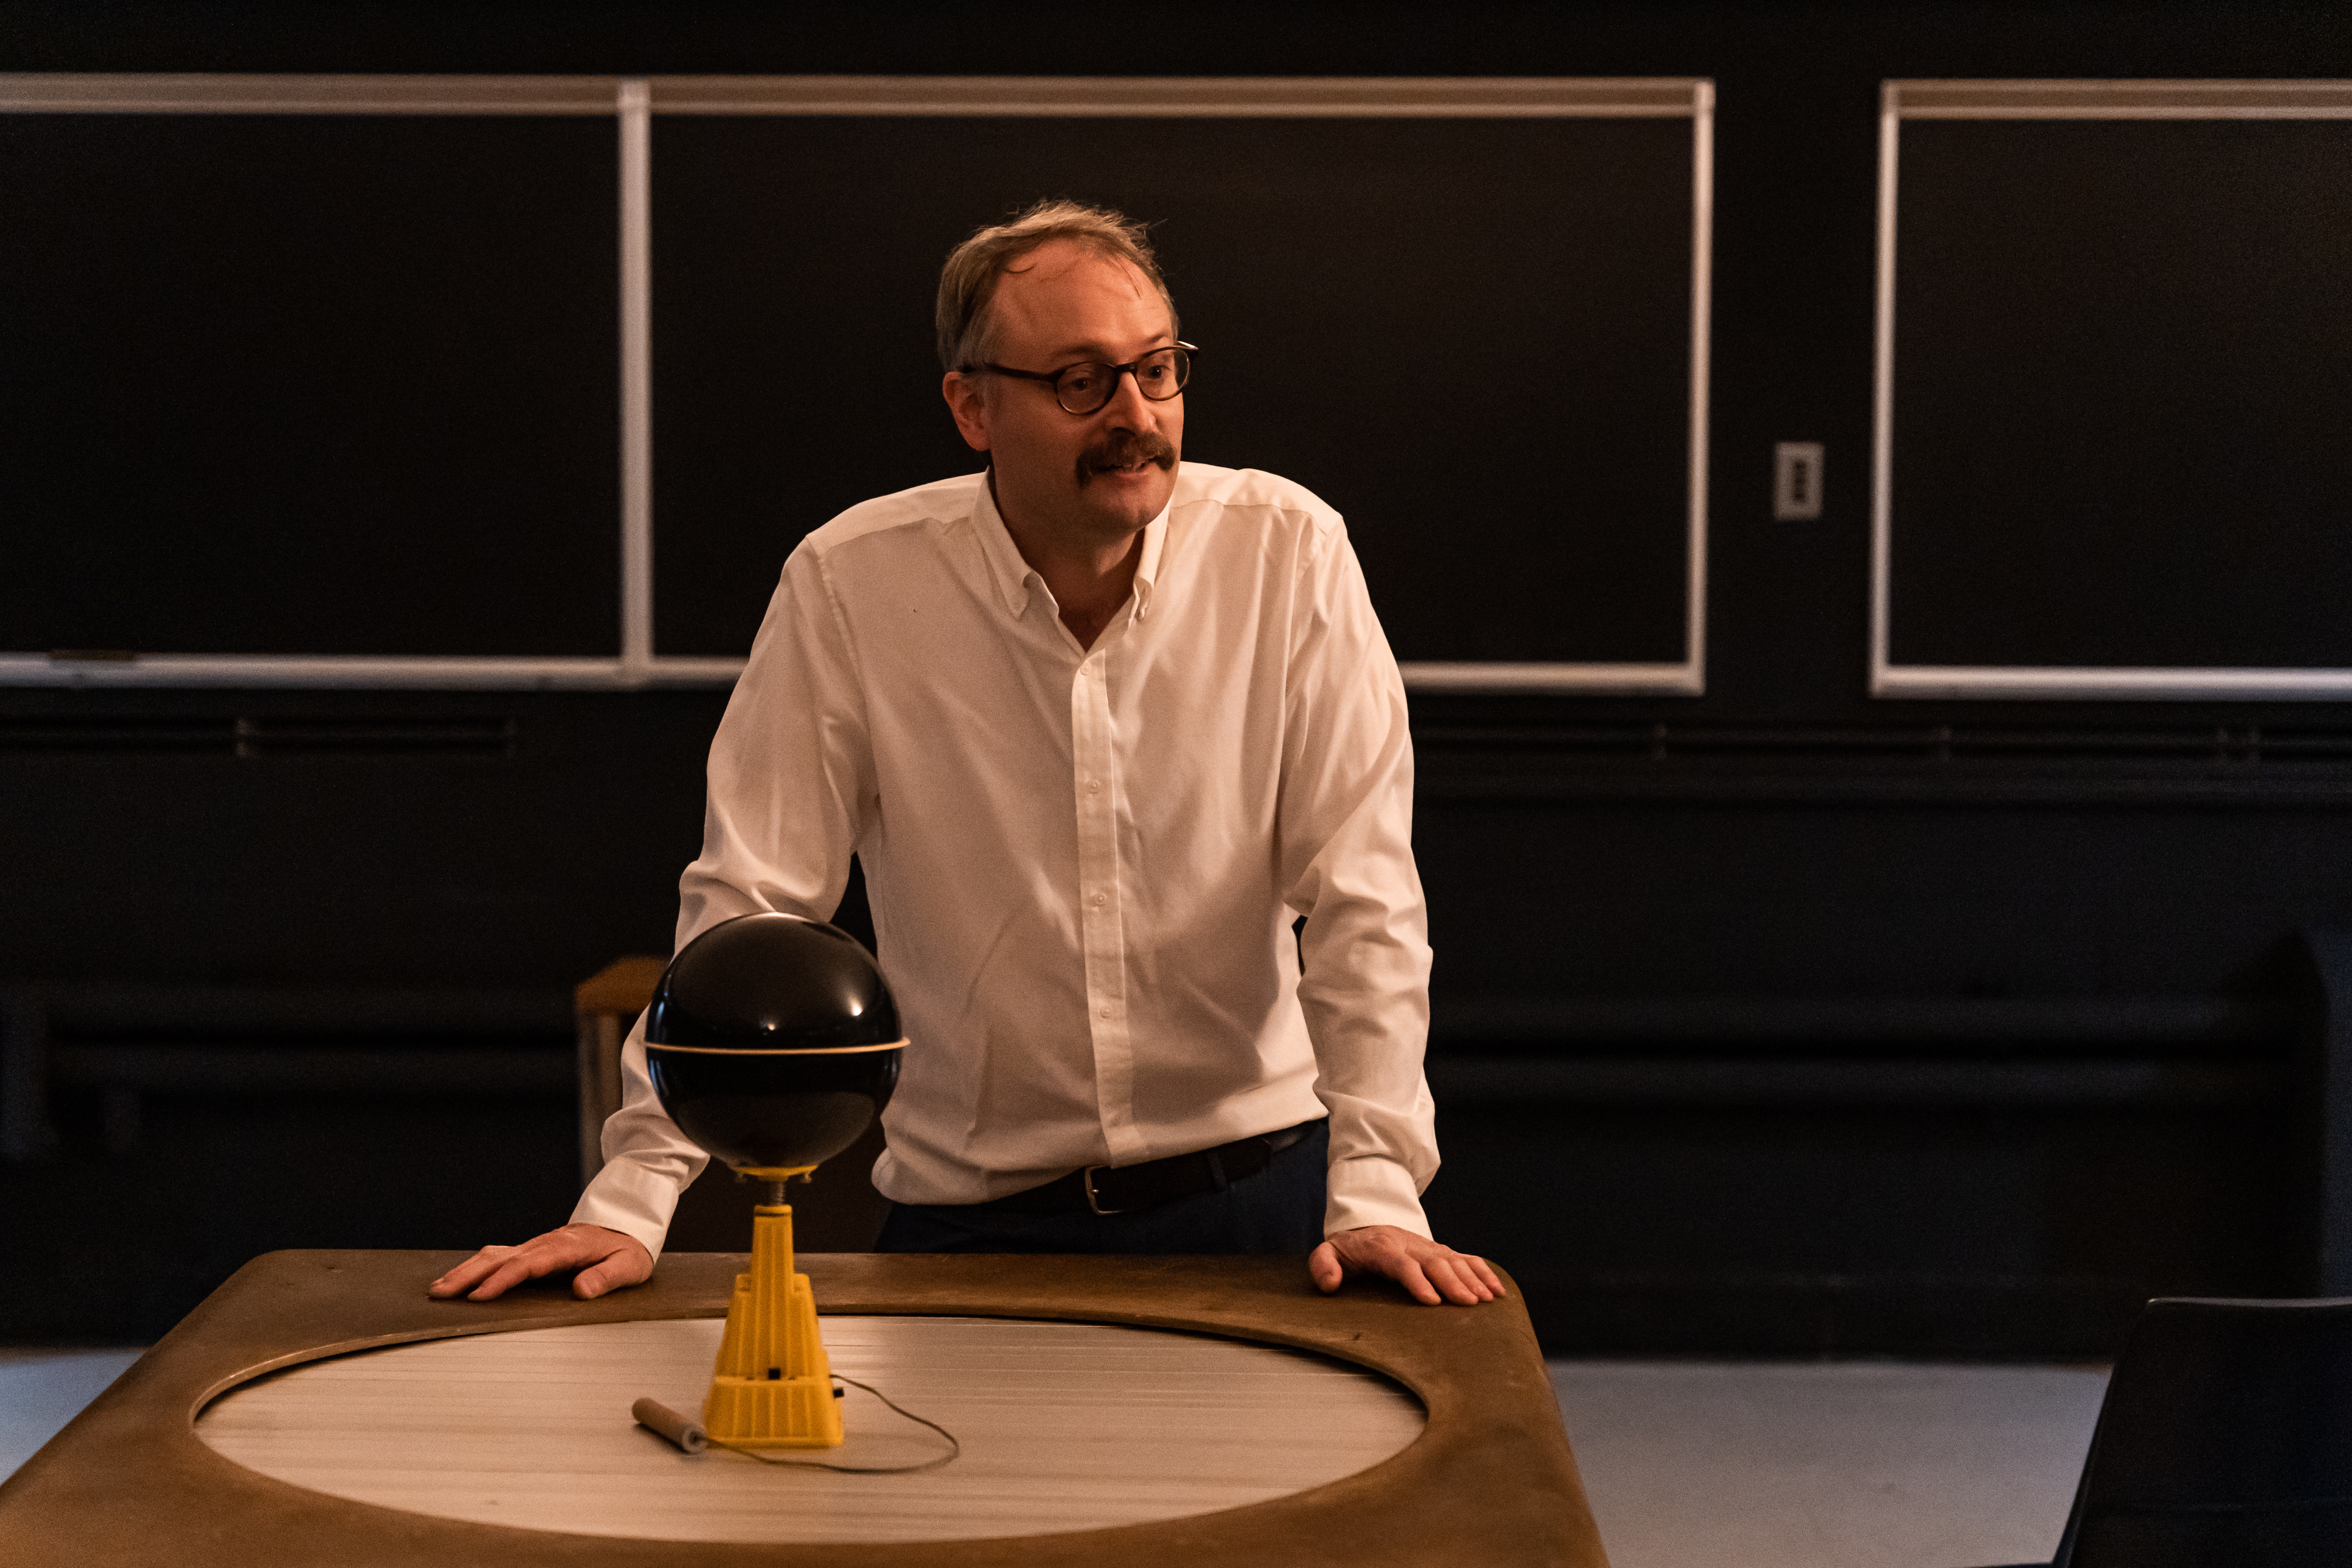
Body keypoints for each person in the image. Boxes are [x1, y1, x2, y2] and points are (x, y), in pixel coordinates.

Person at [431, 200, 1502, 1311]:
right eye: (1082, 382)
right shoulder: (853, 586)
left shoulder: (1289, 553)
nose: (1136, 416)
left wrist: (1377, 1188)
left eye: (1157, 371)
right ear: (972, 407)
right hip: (972, 1226)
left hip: (1260, 1210)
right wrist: (629, 1199)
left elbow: (1365, 897)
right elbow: (751, 912)